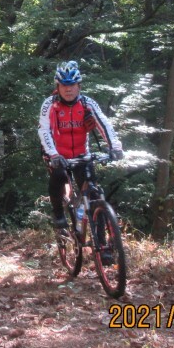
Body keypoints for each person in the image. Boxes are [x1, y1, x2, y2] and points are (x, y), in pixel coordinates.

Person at [38, 60, 123, 231]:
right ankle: (58, 214)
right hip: (57, 154)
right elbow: (44, 130)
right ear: (58, 86)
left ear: (79, 86)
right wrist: (53, 154)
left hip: (81, 154)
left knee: (93, 195)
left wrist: (115, 147)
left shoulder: (87, 103)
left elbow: (104, 123)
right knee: (59, 176)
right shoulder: (49, 104)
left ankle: (102, 242)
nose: (68, 89)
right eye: (64, 85)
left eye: (72, 85)